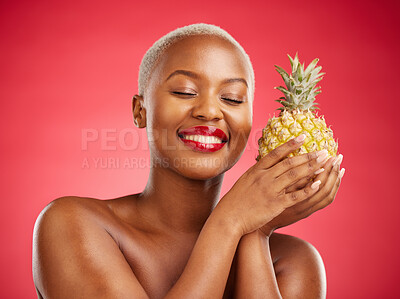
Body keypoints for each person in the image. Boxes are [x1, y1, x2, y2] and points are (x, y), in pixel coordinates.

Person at [32, 23, 344, 299]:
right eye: (184, 92)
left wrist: (255, 233)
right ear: (140, 111)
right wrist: (229, 221)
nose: (209, 111)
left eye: (233, 98)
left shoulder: (291, 261)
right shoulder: (71, 223)